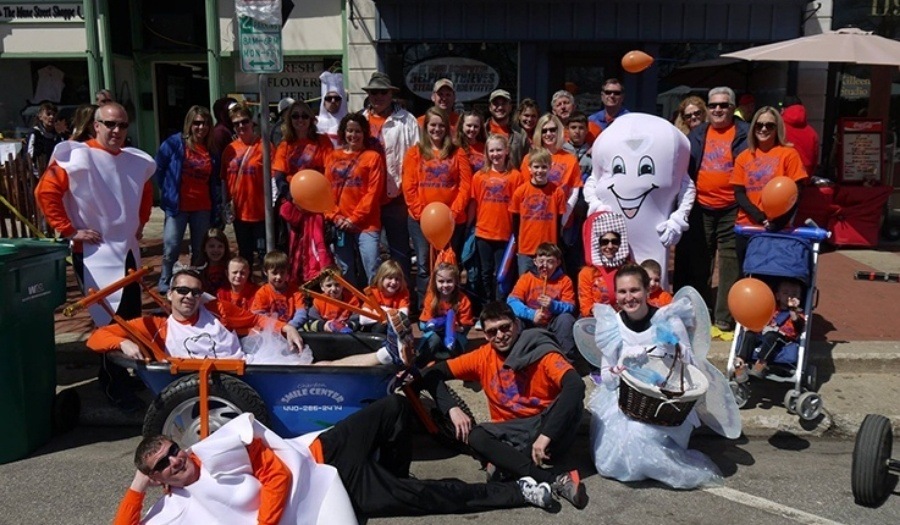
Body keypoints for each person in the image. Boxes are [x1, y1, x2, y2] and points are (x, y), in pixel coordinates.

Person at [113, 394, 558, 525]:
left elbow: (272, 471)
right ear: (156, 478)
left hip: (321, 451)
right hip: (329, 492)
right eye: (162, 466)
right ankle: (519, 491)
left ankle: (389, 479)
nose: (174, 461)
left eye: (172, 451)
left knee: (394, 408)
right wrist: (137, 485)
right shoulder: (175, 507)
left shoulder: (212, 447)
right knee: (430, 497)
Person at [35, 101, 156, 411]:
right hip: (95, 253)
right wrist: (68, 230)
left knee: (129, 317)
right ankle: (114, 384)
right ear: (96, 125)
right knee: (108, 319)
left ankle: (120, 374)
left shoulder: (135, 160)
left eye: (122, 125)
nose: (116, 130)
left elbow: (144, 192)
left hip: (127, 251)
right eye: (110, 124)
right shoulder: (76, 155)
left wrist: (139, 225)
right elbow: (45, 192)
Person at [420, 301, 589, 510]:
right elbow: (430, 374)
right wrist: (451, 409)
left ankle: (509, 466)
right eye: (492, 332)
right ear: (485, 335)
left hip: (547, 431)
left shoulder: (541, 350)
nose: (500, 335)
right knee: (476, 436)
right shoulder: (482, 357)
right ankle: (553, 479)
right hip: (513, 433)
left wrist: (546, 435)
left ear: (516, 324)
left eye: (504, 327)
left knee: (572, 404)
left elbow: (575, 386)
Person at [580, 264, 733, 489]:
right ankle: (646, 466)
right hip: (628, 401)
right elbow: (608, 379)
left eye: (635, 290)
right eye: (622, 292)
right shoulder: (612, 327)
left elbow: (689, 366)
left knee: (642, 437)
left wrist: (670, 351)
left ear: (646, 290)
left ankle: (658, 464)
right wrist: (623, 364)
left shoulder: (668, 320)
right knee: (609, 463)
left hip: (666, 401)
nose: (628, 297)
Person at [87, 269, 304, 360]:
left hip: (248, 370)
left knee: (323, 368)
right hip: (199, 385)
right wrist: (122, 343)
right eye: (182, 291)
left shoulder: (217, 310)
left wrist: (287, 327)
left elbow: (256, 319)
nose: (189, 296)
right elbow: (96, 338)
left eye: (195, 292)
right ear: (170, 294)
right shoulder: (157, 326)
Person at [673, 86, 750, 341]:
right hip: (701, 206)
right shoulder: (698, 133)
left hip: (731, 207)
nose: (718, 110)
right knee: (699, 260)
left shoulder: (744, 133)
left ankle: (724, 319)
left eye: (723, 105)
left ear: (732, 107)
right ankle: (698, 313)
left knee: (729, 264)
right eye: (714, 105)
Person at [402, 106, 473, 306]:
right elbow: (409, 186)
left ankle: (450, 307)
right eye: (432, 125)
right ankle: (426, 307)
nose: (437, 129)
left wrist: (454, 212)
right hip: (421, 221)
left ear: (447, 128)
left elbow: (465, 185)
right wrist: (420, 214)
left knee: (448, 265)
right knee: (424, 264)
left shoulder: (457, 152)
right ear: (426, 128)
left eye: (441, 125)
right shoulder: (414, 153)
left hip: (451, 221)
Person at [155, 105, 220, 293]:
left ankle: (195, 281)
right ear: (189, 124)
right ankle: (166, 282)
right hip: (178, 206)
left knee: (200, 249)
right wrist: (166, 192)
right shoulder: (174, 144)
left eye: (206, 123)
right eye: (197, 123)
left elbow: (214, 180)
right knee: (171, 246)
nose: (201, 127)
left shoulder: (211, 149)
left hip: (202, 206)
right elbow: (158, 168)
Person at [361, 71, 419, 284]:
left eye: (383, 92)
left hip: (396, 196)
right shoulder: (361, 119)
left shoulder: (406, 120)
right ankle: (375, 296)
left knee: (399, 249)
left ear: (391, 94)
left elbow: (416, 156)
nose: (378, 96)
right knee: (369, 251)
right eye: (374, 92)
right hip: (367, 197)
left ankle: (402, 295)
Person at [732, 106, 808, 266]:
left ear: (777, 129)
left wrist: (779, 222)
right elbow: (739, 193)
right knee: (746, 274)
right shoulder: (743, 157)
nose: (764, 129)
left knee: (772, 275)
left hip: (778, 228)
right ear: (753, 128)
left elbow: (797, 192)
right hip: (747, 227)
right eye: (759, 125)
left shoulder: (789, 154)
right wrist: (760, 217)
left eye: (769, 125)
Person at [324, 113, 385, 289]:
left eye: (358, 131)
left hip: (367, 224)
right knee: (345, 268)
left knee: (371, 266)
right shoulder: (332, 156)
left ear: (364, 133)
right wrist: (335, 217)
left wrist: (354, 219)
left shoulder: (372, 157)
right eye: (350, 131)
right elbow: (325, 191)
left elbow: (373, 193)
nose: (353, 135)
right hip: (340, 223)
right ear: (343, 133)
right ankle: (351, 307)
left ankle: (375, 306)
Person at [273, 99, 333, 275]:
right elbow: (279, 176)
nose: (300, 120)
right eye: (295, 116)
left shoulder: (322, 142)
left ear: (311, 119)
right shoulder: (285, 145)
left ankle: (316, 274)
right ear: (289, 120)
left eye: (304, 116)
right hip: (294, 202)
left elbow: (329, 172)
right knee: (294, 244)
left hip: (317, 203)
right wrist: (293, 198)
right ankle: (296, 279)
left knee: (317, 240)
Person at [507, 243, 577, 365]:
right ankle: (515, 359)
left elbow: (570, 307)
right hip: (531, 322)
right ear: (535, 261)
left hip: (552, 322)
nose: (545, 266)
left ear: (558, 263)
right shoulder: (527, 278)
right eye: (541, 261)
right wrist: (531, 315)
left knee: (566, 319)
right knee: (515, 320)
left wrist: (553, 305)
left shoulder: (564, 280)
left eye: (550, 262)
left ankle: (566, 363)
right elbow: (512, 301)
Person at [470, 134, 521, 303]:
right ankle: (487, 307)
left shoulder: (515, 176)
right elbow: (475, 203)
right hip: (483, 232)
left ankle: (500, 306)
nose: (495, 154)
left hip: (505, 234)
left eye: (499, 150)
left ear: (507, 151)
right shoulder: (479, 176)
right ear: (487, 153)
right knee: (485, 272)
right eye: (492, 150)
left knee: (502, 273)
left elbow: (518, 207)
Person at [222, 102, 269, 266]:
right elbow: (224, 179)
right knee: (245, 255)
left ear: (252, 122)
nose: (241, 126)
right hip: (239, 213)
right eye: (236, 123)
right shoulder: (229, 150)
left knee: (264, 256)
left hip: (261, 213)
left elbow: (273, 178)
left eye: (244, 121)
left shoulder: (264, 147)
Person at [508, 148, 566, 276]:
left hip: (548, 250)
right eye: (536, 167)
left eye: (544, 167)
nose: (540, 171)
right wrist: (518, 245)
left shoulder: (557, 192)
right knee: (525, 286)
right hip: (526, 249)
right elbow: (515, 222)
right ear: (529, 168)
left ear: (550, 167)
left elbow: (558, 223)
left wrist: (557, 249)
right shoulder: (520, 192)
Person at [735, 278, 806, 380]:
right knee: (749, 334)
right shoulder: (770, 308)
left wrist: (793, 309)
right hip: (763, 332)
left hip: (782, 337)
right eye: (785, 293)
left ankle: (761, 364)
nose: (790, 297)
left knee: (772, 336)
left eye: (794, 294)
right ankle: (740, 363)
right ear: (777, 296)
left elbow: (798, 323)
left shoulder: (797, 312)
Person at [416, 262, 474, 365]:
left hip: (454, 333)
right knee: (434, 339)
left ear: (456, 281)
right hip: (435, 331)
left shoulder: (463, 300)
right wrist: (440, 324)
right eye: (441, 281)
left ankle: (450, 364)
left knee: (455, 345)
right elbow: (425, 324)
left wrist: (458, 328)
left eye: (449, 281)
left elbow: (466, 324)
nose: (445, 285)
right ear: (435, 282)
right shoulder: (431, 298)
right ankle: (420, 364)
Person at [578, 213, 631, 317]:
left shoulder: (630, 268)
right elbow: (585, 307)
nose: (610, 246)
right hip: (597, 320)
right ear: (597, 244)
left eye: (615, 241)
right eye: (604, 242)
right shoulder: (586, 273)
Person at [251, 250, 306, 324]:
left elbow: (301, 313)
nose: (279, 277)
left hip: (292, 327)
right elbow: (258, 316)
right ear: (265, 272)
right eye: (274, 273)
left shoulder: (295, 290)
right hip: (269, 329)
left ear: (287, 271)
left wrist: (290, 326)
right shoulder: (262, 293)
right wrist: (279, 328)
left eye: (282, 272)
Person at [304, 265, 362, 333]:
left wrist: (347, 325)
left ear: (343, 284)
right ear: (322, 287)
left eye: (337, 285)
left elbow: (357, 321)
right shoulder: (319, 301)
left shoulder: (352, 300)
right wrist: (324, 326)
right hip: (325, 335)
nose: (333, 289)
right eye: (329, 285)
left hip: (346, 334)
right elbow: (310, 322)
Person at [360, 259, 410, 332]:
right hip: (374, 330)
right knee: (380, 327)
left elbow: (403, 316)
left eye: (397, 279)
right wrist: (392, 314)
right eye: (390, 278)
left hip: (394, 331)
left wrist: (378, 312)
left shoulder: (403, 293)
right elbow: (363, 320)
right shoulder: (372, 292)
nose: (393, 282)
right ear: (381, 278)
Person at [487, 89, 528, 168]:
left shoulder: (520, 134)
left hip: (514, 179)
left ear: (510, 107)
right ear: (490, 107)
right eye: (496, 104)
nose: (500, 107)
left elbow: (527, 162)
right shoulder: (482, 131)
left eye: (504, 103)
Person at [781, 96, 820, 177]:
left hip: (782, 178)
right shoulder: (812, 133)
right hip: (803, 179)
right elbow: (814, 160)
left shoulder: (779, 128)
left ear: (783, 110)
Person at [26, 101, 63, 171]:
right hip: (37, 172)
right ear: (40, 117)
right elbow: (29, 155)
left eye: (54, 114)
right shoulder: (35, 133)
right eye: (48, 114)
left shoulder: (58, 136)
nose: (51, 117)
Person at [317, 70, 349, 147]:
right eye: (329, 98)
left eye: (337, 98)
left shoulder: (349, 123)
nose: (333, 101)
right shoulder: (315, 123)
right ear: (323, 101)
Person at [196, 227, 231, 294]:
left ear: (225, 248)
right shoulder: (199, 269)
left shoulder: (230, 268)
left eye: (220, 246)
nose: (216, 250)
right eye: (211, 246)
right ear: (204, 248)